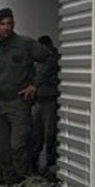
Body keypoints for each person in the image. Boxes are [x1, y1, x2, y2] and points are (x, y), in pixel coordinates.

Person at [0, 8, 53, 186]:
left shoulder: (25, 44)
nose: (6, 28)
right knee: (1, 148)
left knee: (18, 146)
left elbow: (48, 59)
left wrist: (35, 84)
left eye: (9, 24)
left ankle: (23, 181)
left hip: (18, 102)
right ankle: (7, 178)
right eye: (2, 24)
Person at [29, 35, 60, 174]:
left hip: (49, 100)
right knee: (37, 134)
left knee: (49, 134)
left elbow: (42, 74)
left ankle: (50, 163)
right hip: (40, 100)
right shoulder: (39, 61)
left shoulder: (52, 58)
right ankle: (35, 164)